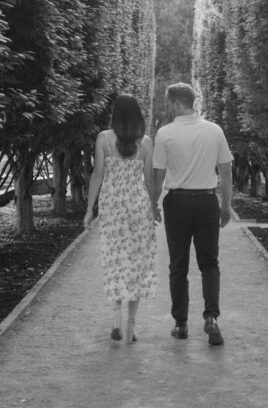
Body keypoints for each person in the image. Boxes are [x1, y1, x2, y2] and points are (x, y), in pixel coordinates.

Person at [152, 82, 233, 346]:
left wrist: (153, 203)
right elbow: (226, 171)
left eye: (168, 103)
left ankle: (181, 324)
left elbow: (159, 176)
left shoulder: (165, 134)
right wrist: (226, 205)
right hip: (207, 200)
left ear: (177, 103)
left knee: (178, 265)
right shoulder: (214, 130)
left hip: (177, 203)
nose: (167, 108)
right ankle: (211, 318)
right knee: (209, 264)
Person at [83, 93, 158, 343]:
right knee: (137, 264)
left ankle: (115, 319)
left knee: (115, 260)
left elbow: (97, 176)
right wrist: (154, 207)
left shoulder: (103, 139)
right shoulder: (146, 143)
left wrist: (89, 209)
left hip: (112, 206)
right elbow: (148, 181)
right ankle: (131, 328)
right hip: (138, 206)